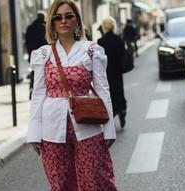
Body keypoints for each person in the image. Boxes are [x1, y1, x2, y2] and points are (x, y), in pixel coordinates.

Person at [27, 1, 118, 190]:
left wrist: (109, 129)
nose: (64, 21)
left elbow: (103, 90)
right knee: (60, 185)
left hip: (88, 127)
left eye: (69, 16)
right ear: (51, 22)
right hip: (52, 130)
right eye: (58, 17)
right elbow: (38, 94)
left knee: (95, 182)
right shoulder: (43, 54)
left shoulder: (92, 50)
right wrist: (34, 132)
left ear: (77, 20)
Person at [97, 17, 127, 128]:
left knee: (110, 92)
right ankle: (122, 110)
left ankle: (112, 113)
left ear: (104, 27)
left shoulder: (101, 42)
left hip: (106, 71)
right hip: (118, 71)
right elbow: (123, 54)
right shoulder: (119, 40)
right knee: (119, 91)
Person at [25, 10, 48, 100]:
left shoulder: (30, 27)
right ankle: (42, 90)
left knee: (34, 72)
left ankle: (32, 89)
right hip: (43, 54)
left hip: (33, 53)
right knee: (43, 73)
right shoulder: (45, 27)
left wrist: (30, 52)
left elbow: (27, 42)